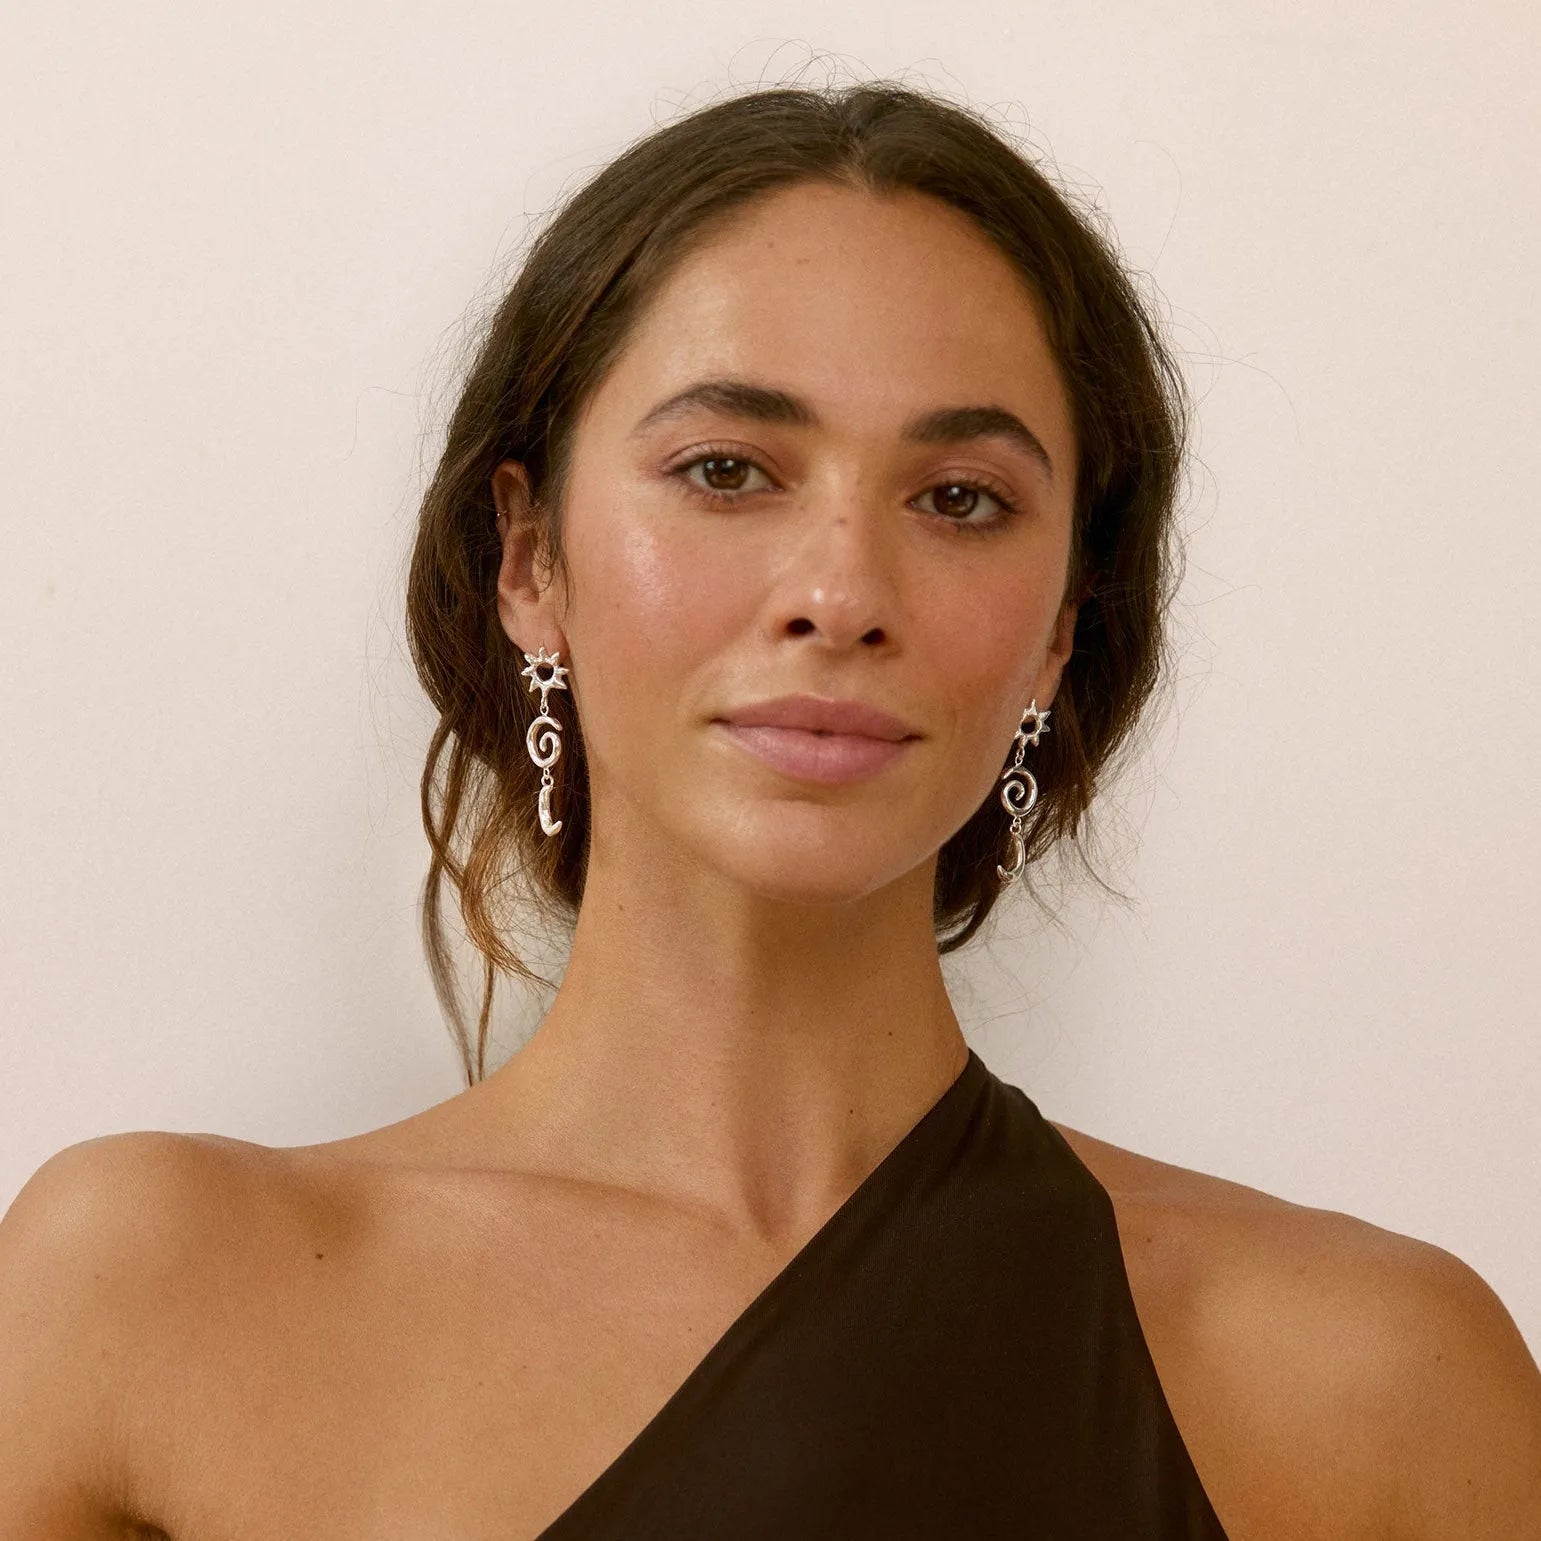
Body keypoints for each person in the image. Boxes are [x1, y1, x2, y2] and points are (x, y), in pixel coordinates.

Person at [3, 80, 1539, 1540]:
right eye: (727, 468)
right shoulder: (138, 1292)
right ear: (528, 558)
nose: (840, 593)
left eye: (957, 499)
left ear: (1062, 625)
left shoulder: (1372, 1377)